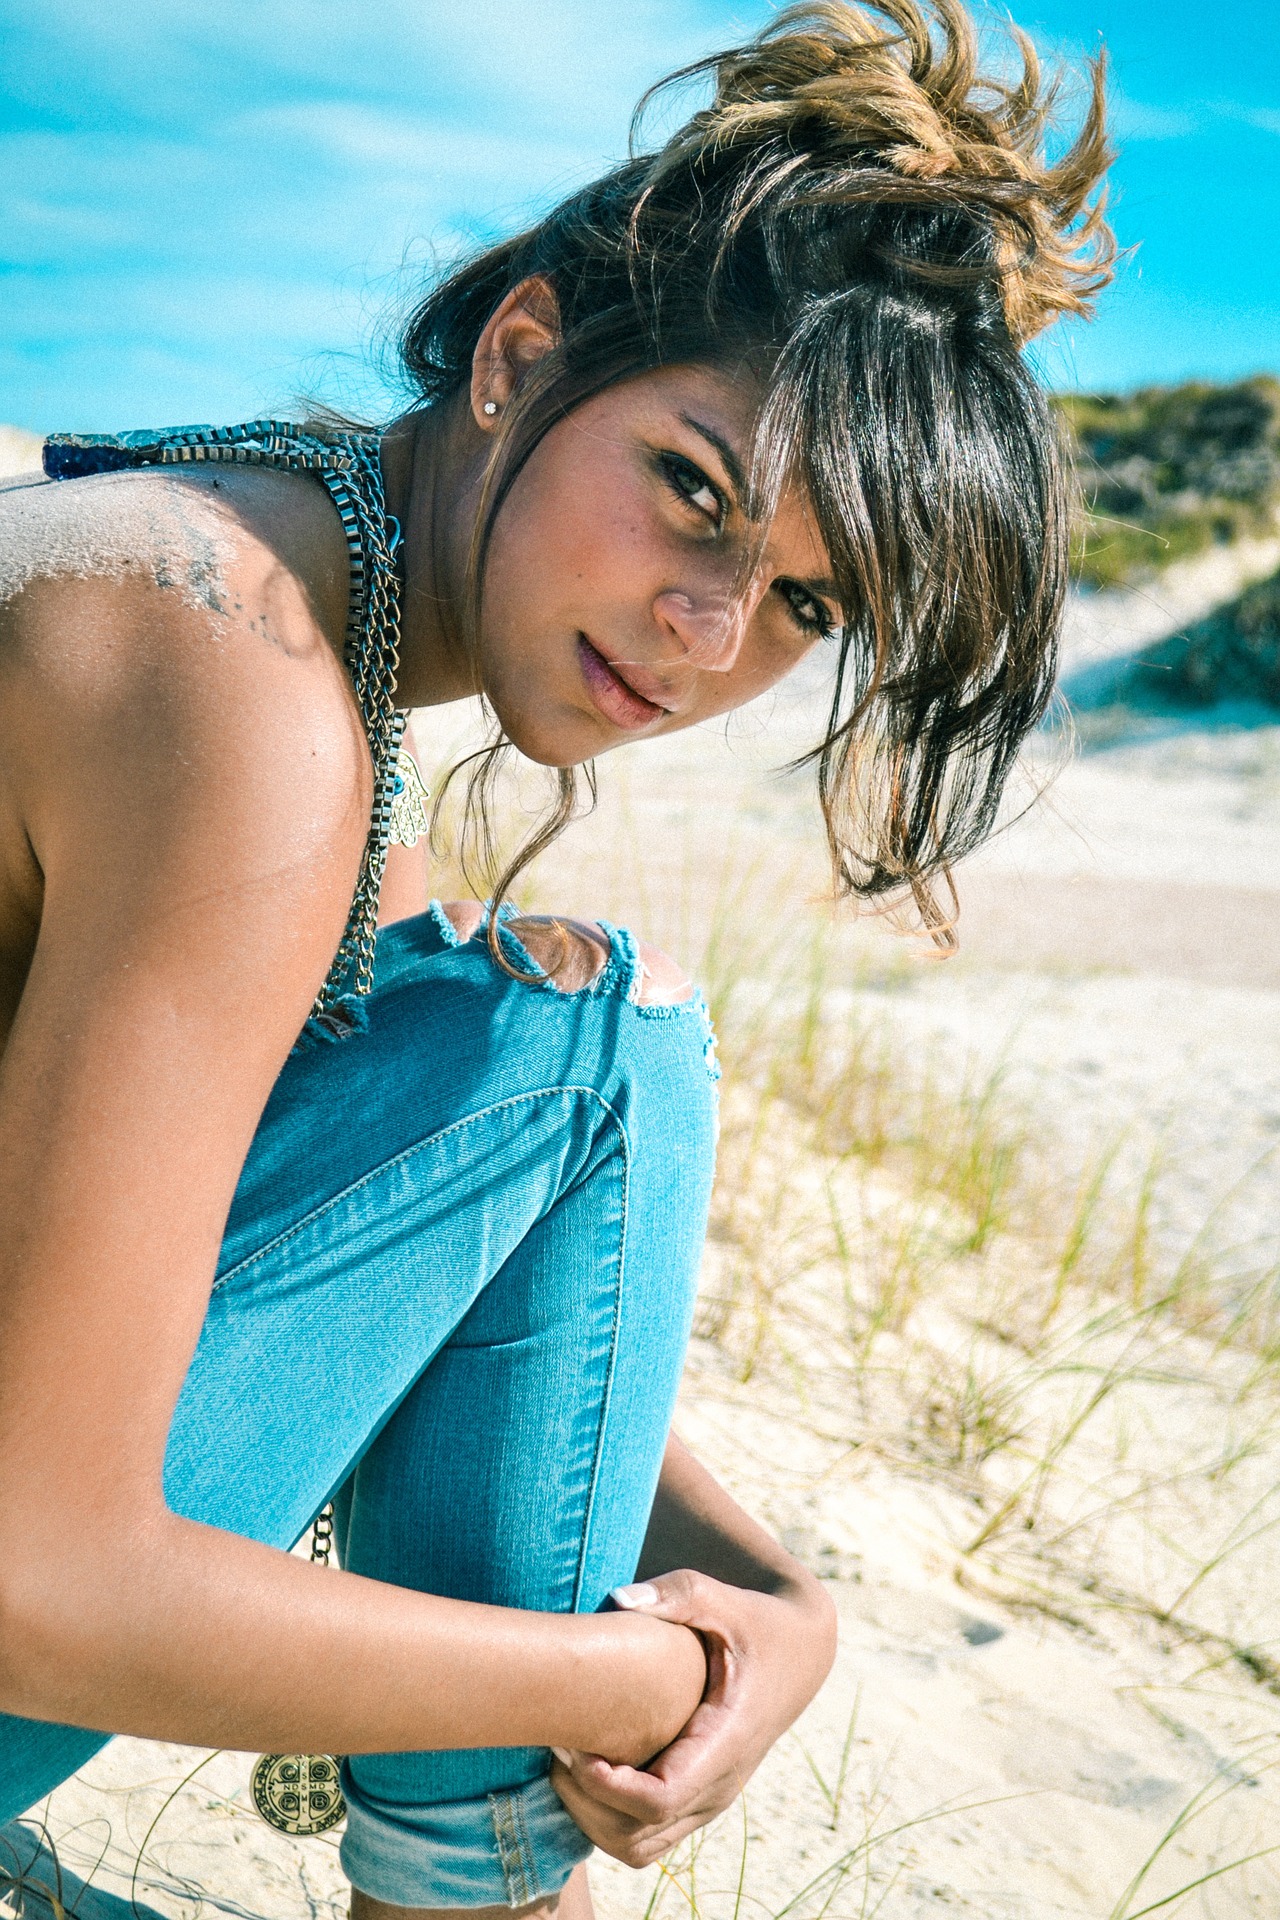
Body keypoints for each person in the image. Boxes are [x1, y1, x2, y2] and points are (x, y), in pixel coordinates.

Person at [0, 2, 1112, 1914]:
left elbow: (471, 1218)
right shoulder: (238, 696)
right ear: (524, 355)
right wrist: (629, 1681)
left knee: (535, 1022)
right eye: (695, 488)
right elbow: (34, 1576)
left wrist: (769, 1591)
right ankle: (488, 1876)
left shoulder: (252, 571)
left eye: (805, 604)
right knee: (594, 1036)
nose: (703, 631)